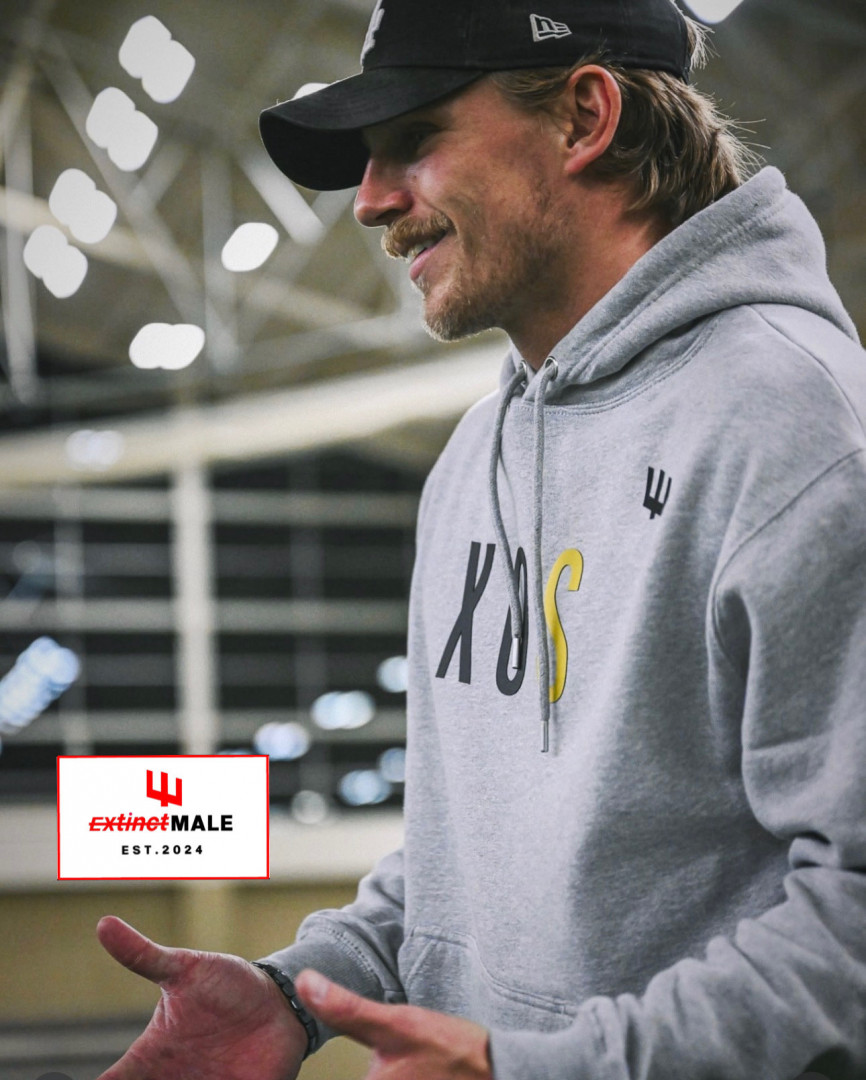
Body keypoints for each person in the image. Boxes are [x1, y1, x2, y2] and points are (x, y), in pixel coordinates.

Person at [95, 1, 866, 1078]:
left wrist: (538, 1066)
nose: (370, 202)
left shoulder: (796, 430)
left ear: (583, 116)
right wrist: (300, 992)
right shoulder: (471, 463)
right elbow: (462, 859)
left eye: (414, 139)